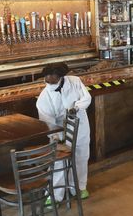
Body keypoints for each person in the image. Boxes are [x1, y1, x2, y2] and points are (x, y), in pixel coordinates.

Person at [36, 62, 92, 202]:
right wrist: (56, 137)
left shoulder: (74, 82)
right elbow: (47, 121)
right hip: (58, 129)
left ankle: (79, 187)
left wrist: (76, 107)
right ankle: (55, 195)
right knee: (58, 161)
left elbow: (87, 98)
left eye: (53, 81)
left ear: (61, 78)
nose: (50, 83)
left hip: (80, 124)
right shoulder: (44, 98)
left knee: (81, 155)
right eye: (47, 81)